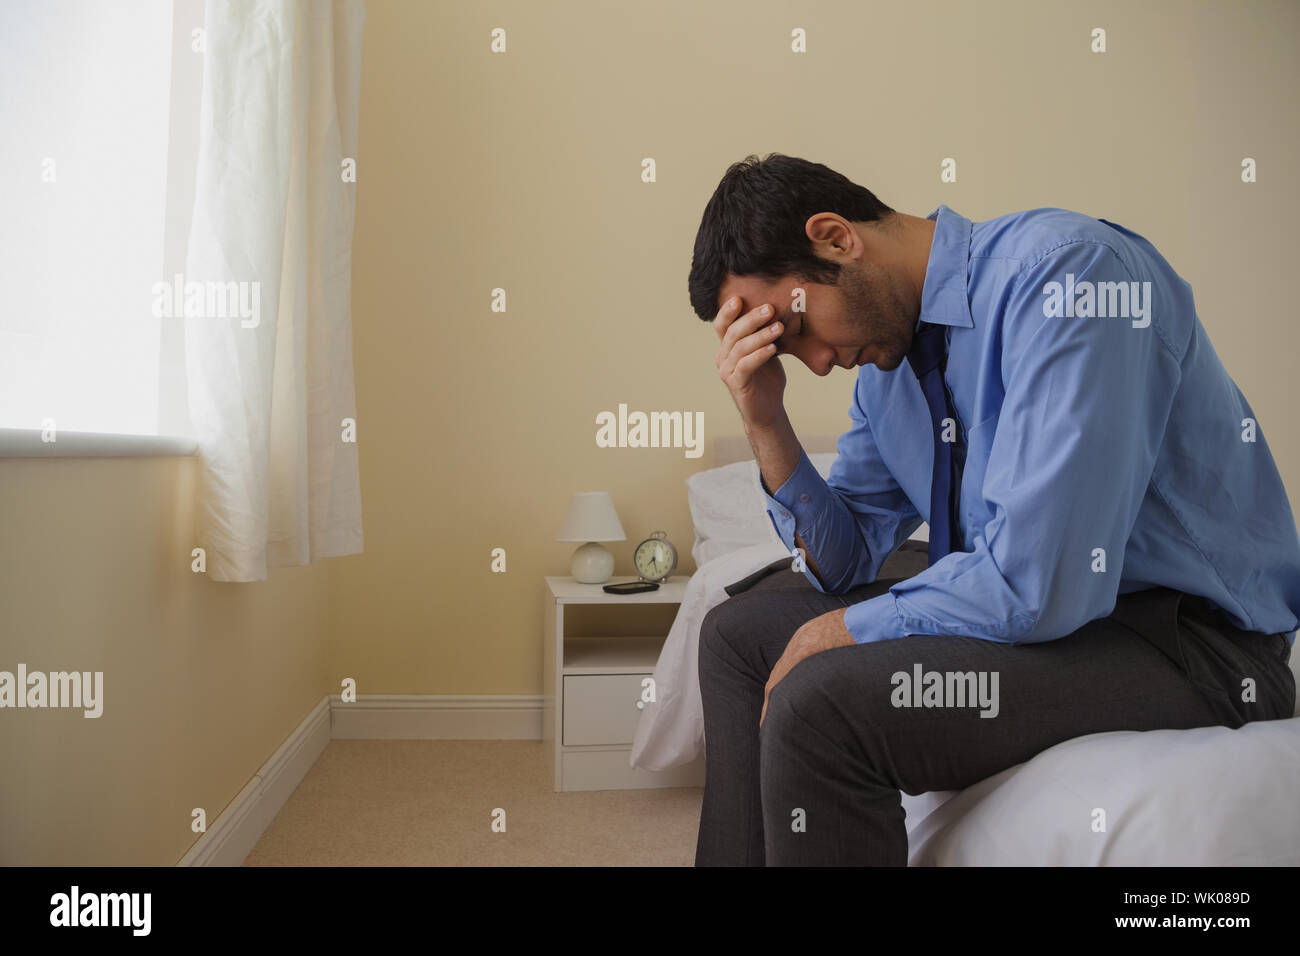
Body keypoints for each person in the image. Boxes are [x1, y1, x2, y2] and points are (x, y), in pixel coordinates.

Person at [685, 153, 1300, 866]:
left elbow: (1041, 582)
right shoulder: (889, 373)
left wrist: (844, 631)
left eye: (797, 331)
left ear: (835, 236)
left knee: (822, 704)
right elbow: (845, 560)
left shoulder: (1072, 278)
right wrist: (765, 422)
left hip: (1186, 643)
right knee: (735, 636)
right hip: (1065, 623)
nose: (817, 363)